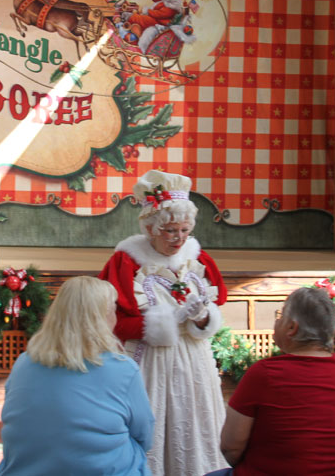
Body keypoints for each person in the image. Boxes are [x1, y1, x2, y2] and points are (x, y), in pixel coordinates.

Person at [98, 169, 228, 476]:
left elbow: (214, 305)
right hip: (150, 364)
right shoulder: (126, 261)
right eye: (171, 231)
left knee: (196, 424)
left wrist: (202, 318)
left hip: (195, 364)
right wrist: (169, 321)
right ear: (151, 228)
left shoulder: (197, 260)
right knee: (153, 424)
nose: (179, 238)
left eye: (185, 230)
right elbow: (111, 321)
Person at [0, 276, 154, 475]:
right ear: (102, 317)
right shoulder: (123, 369)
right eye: (113, 309)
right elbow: (144, 436)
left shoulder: (24, 363)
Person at [207, 286, 335, 476]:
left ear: (292, 328)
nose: (277, 321)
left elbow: (230, 448)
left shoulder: (264, 374)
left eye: (281, 316)